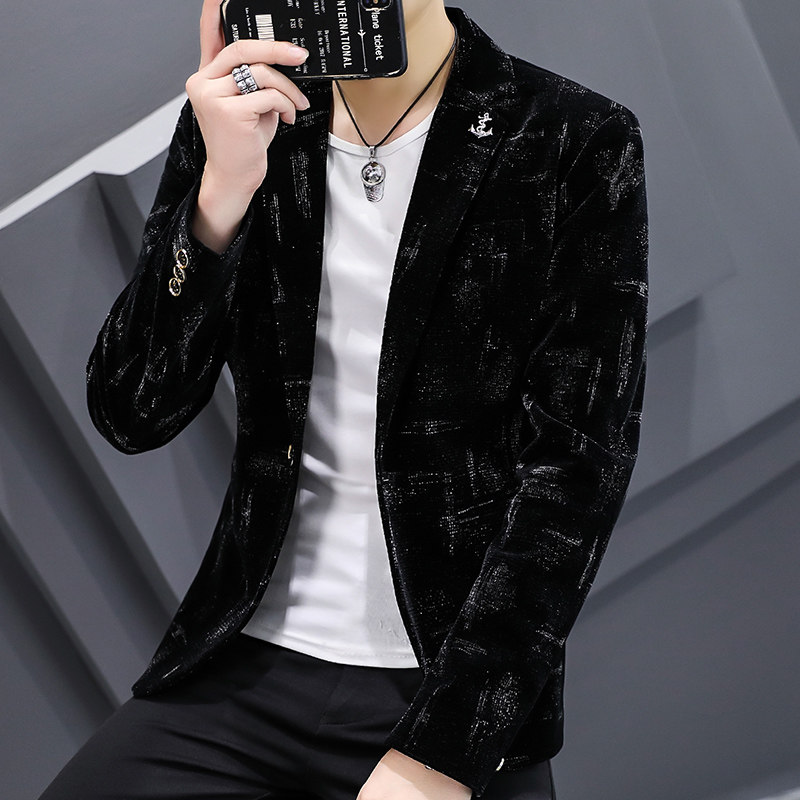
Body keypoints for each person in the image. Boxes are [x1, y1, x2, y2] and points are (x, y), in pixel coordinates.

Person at [40, 1, 648, 799]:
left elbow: (576, 474)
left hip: (444, 684)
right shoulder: (248, 118)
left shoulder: (572, 136)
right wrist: (222, 191)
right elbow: (131, 410)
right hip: (244, 661)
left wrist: (444, 752)